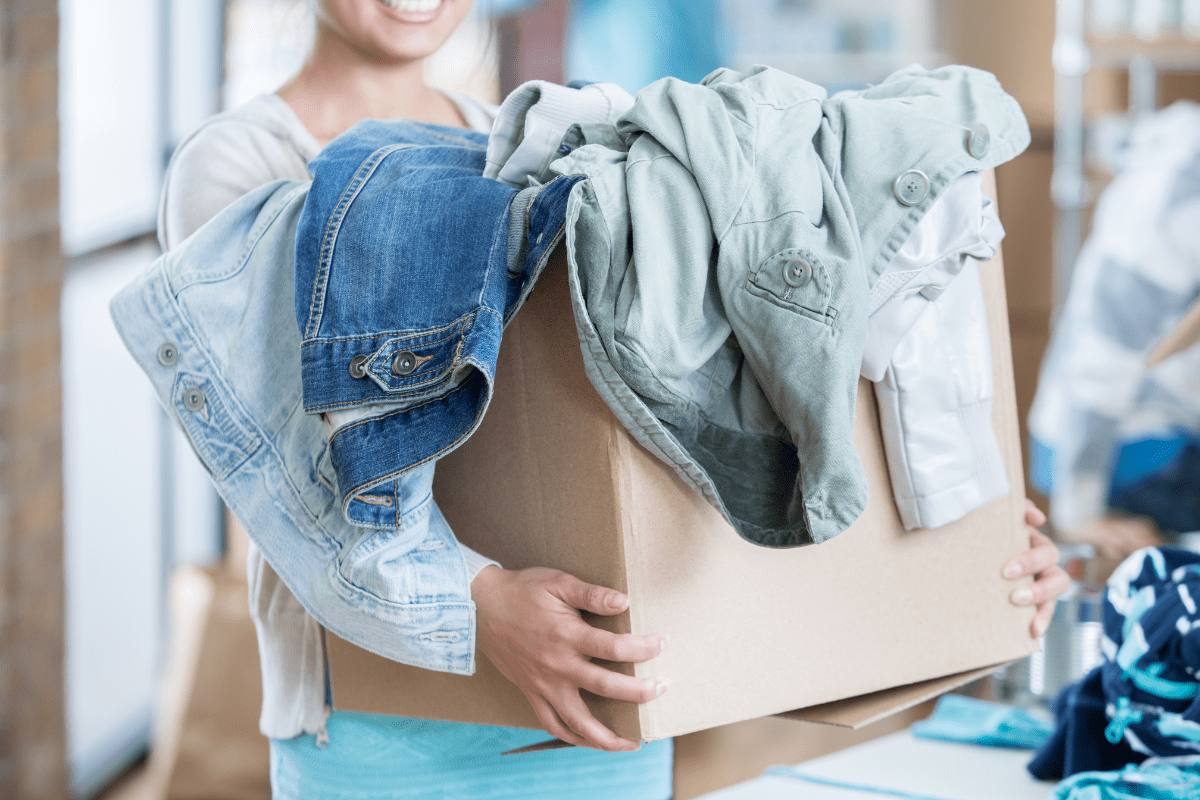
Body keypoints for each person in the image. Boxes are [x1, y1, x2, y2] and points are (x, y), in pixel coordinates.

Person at [158, 0, 1068, 796]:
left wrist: (961, 542)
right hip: (378, 720)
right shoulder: (242, 160)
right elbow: (283, 468)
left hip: (604, 705)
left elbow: (720, 404)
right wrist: (477, 605)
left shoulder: (559, 146)